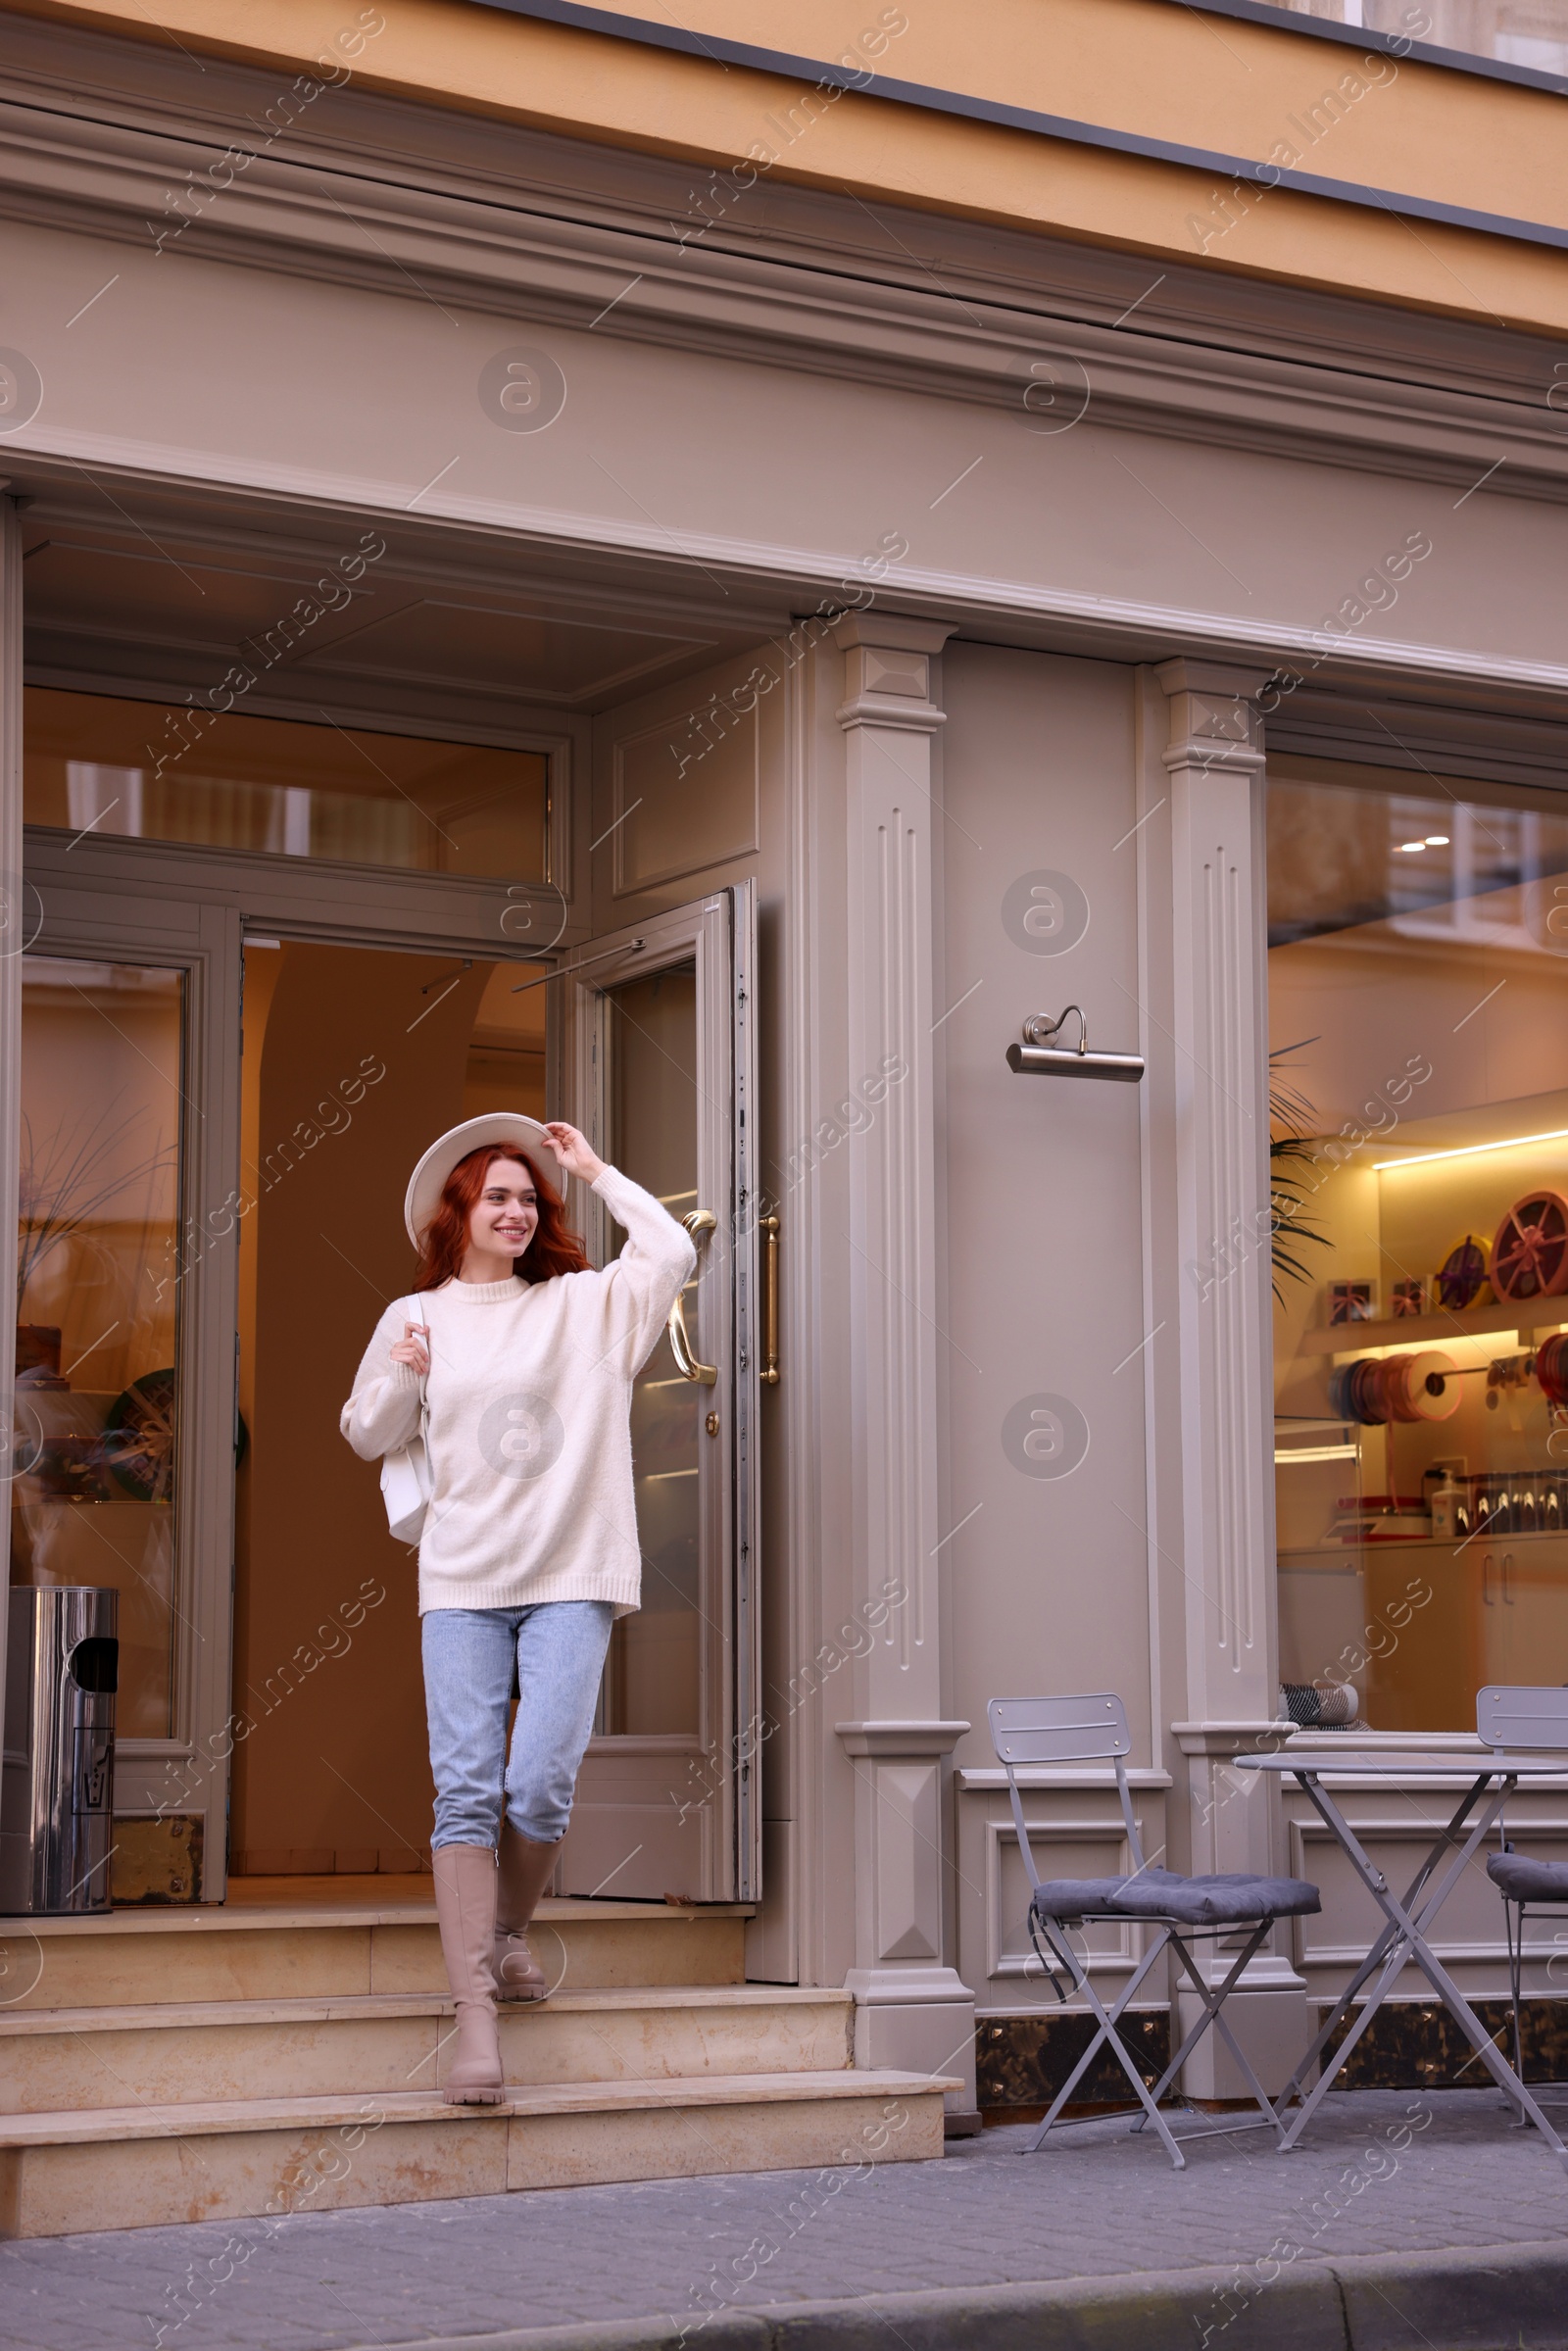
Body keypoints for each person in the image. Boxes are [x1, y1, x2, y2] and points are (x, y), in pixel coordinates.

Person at [341, 1113, 697, 2103]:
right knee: (464, 1790)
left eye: (529, 1196)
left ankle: (503, 1935)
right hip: (460, 1580)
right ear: (458, 1209)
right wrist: (403, 1374)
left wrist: (594, 1168)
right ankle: (475, 2023)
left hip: (573, 1573)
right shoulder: (419, 1314)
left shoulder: (586, 1306)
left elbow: (668, 1247)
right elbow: (367, 1433)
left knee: (537, 1782)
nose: (515, 1208)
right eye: (496, 1194)